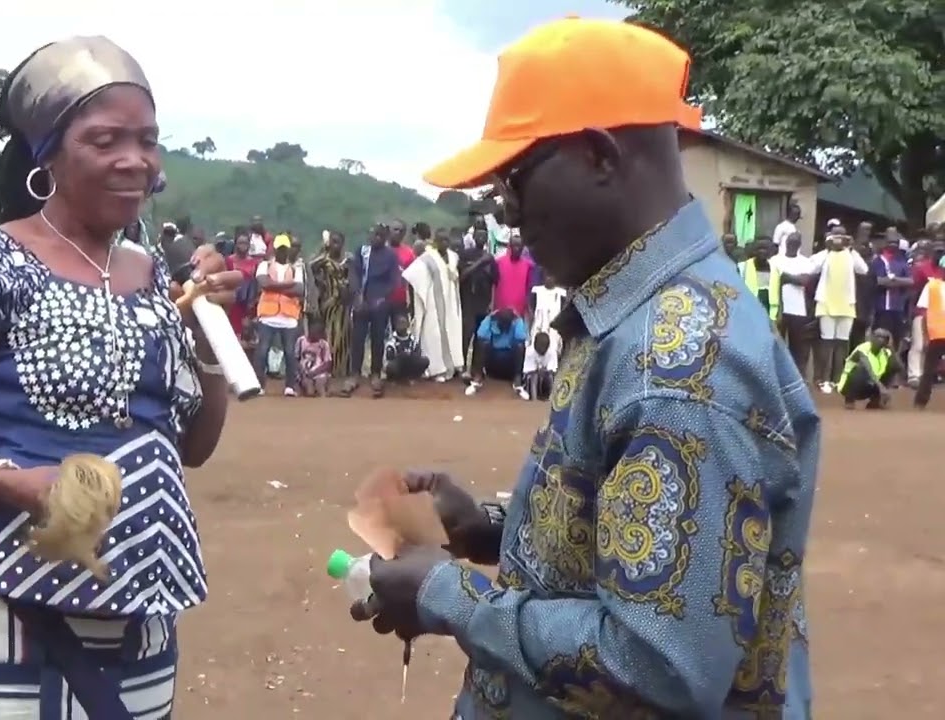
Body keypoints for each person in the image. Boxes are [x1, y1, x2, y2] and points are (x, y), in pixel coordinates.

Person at [349, 18, 817, 719]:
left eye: (515, 177)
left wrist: (445, 595)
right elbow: (625, 537)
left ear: (599, 157)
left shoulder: (680, 364)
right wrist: (495, 529)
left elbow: (661, 662)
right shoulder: (632, 317)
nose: (508, 211)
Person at [0, 37, 239, 719]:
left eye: (148, 140)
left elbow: (195, 448)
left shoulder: (153, 278)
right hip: (3, 609)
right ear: (48, 159)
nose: (135, 160)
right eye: (106, 140)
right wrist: (3, 483)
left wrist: (212, 331)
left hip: (141, 606)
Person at [342, 223, 401, 397]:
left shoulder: (390, 256)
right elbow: (354, 273)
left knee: (377, 339)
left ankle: (375, 373)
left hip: (380, 303)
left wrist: (382, 298)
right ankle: (354, 374)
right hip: (362, 301)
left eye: (378, 235)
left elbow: (393, 281)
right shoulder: (362, 251)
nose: (374, 238)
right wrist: (357, 294)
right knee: (357, 338)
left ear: (384, 237)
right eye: (372, 234)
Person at [810, 227, 869, 393]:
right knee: (827, 342)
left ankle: (838, 380)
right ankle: (823, 379)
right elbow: (812, 267)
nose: (838, 239)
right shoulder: (825, 255)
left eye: (841, 236)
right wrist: (826, 248)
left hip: (847, 304)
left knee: (842, 342)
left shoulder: (850, 255)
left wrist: (852, 248)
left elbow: (863, 269)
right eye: (835, 236)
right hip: (826, 303)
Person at [403, 228, 464, 381]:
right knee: (434, 336)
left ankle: (454, 366)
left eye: (446, 240)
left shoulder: (453, 257)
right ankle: (437, 370)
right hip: (433, 304)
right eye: (441, 240)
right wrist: (415, 301)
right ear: (435, 242)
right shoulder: (427, 258)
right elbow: (411, 275)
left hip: (450, 304)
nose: (444, 243)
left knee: (453, 332)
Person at [254, 234, 304, 396]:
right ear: (275, 249)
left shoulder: (297, 268)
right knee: (263, 350)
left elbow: (299, 290)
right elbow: (263, 283)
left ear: (288, 249)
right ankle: (259, 386)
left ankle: (290, 386)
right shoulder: (264, 265)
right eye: (280, 248)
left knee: (290, 352)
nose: (282, 251)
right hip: (268, 315)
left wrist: (273, 286)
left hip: (289, 316)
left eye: (285, 248)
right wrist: (287, 286)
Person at [309, 230, 352, 382]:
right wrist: (320, 284)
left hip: (343, 304)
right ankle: (327, 371)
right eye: (332, 242)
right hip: (328, 303)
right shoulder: (324, 260)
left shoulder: (348, 260)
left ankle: (341, 372)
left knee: (343, 338)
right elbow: (311, 267)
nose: (335, 245)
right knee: (329, 337)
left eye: (338, 242)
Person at [771, 231, 814, 374]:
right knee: (778, 344)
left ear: (799, 244)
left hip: (798, 310)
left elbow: (805, 281)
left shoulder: (805, 262)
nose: (792, 244)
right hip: (779, 309)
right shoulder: (775, 260)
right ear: (786, 242)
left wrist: (784, 276)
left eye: (796, 242)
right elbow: (775, 279)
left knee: (798, 348)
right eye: (790, 241)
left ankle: (797, 376)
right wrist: (793, 278)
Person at [458, 226, 497, 369]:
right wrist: (480, 263)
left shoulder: (491, 258)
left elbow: (495, 281)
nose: (481, 239)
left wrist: (491, 303)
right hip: (468, 301)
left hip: (483, 302)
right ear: (473, 238)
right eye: (479, 236)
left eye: (484, 236)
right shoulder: (465, 255)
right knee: (466, 335)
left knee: (480, 337)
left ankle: (476, 368)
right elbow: (461, 276)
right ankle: (461, 366)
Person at [464, 308, 526, 396]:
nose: (504, 327)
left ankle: (517, 379)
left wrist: (517, 323)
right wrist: (489, 320)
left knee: (520, 345)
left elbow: (521, 337)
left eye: (506, 324)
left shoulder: (517, 321)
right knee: (482, 342)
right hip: (493, 361)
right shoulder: (490, 319)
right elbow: (481, 335)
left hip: (510, 363)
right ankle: (478, 377)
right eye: (502, 324)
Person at [868, 231, 912, 350]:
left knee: (897, 340)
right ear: (884, 243)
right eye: (890, 242)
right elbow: (878, 281)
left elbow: (910, 281)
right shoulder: (877, 261)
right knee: (881, 339)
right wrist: (894, 282)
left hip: (898, 308)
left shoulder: (902, 262)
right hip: (881, 307)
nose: (893, 245)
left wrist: (893, 279)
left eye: (895, 242)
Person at [836, 328, 900, 409]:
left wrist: (891, 347)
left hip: (871, 383)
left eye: (883, 338)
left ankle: (875, 400)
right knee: (860, 370)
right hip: (850, 385)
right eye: (877, 337)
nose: (880, 340)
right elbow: (868, 369)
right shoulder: (862, 349)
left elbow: (898, 367)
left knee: (891, 370)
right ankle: (849, 399)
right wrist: (882, 388)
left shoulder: (885, 351)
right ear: (872, 338)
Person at [913, 271, 945, 409]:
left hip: (936, 333)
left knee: (929, 368)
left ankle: (920, 401)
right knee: (929, 369)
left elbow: (924, 313)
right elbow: (924, 314)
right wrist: (925, 335)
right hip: (936, 332)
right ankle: (921, 400)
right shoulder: (931, 286)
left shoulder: (931, 286)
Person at [738, 239, 781, 321]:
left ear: (769, 252)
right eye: (759, 248)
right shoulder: (743, 267)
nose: (762, 251)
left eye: (765, 249)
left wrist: (779, 314)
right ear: (754, 251)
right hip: (750, 310)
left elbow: (779, 292)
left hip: (770, 311)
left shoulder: (776, 269)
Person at [382, 312, 428, 384]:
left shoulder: (413, 339)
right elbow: (389, 358)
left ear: (408, 324)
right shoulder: (392, 341)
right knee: (393, 365)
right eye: (399, 324)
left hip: (409, 364)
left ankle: (412, 377)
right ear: (396, 325)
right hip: (397, 365)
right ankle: (395, 380)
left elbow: (418, 353)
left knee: (425, 361)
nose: (401, 326)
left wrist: (410, 356)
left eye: (403, 323)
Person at [294, 319, 332, 396]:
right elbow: (295, 358)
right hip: (304, 373)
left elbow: (328, 363)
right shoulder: (301, 341)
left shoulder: (323, 344)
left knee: (320, 388)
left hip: (319, 373)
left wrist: (315, 372)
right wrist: (301, 370)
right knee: (309, 390)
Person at [521, 329, 558, 401]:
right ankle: (534, 399)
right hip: (533, 375)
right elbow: (528, 370)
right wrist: (537, 370)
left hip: (546, 375)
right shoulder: (530, 352)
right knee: (534, 377)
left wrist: (545, 371)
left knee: (550, 377)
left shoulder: (552, 352)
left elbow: (552, 370)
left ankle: (551, 397)